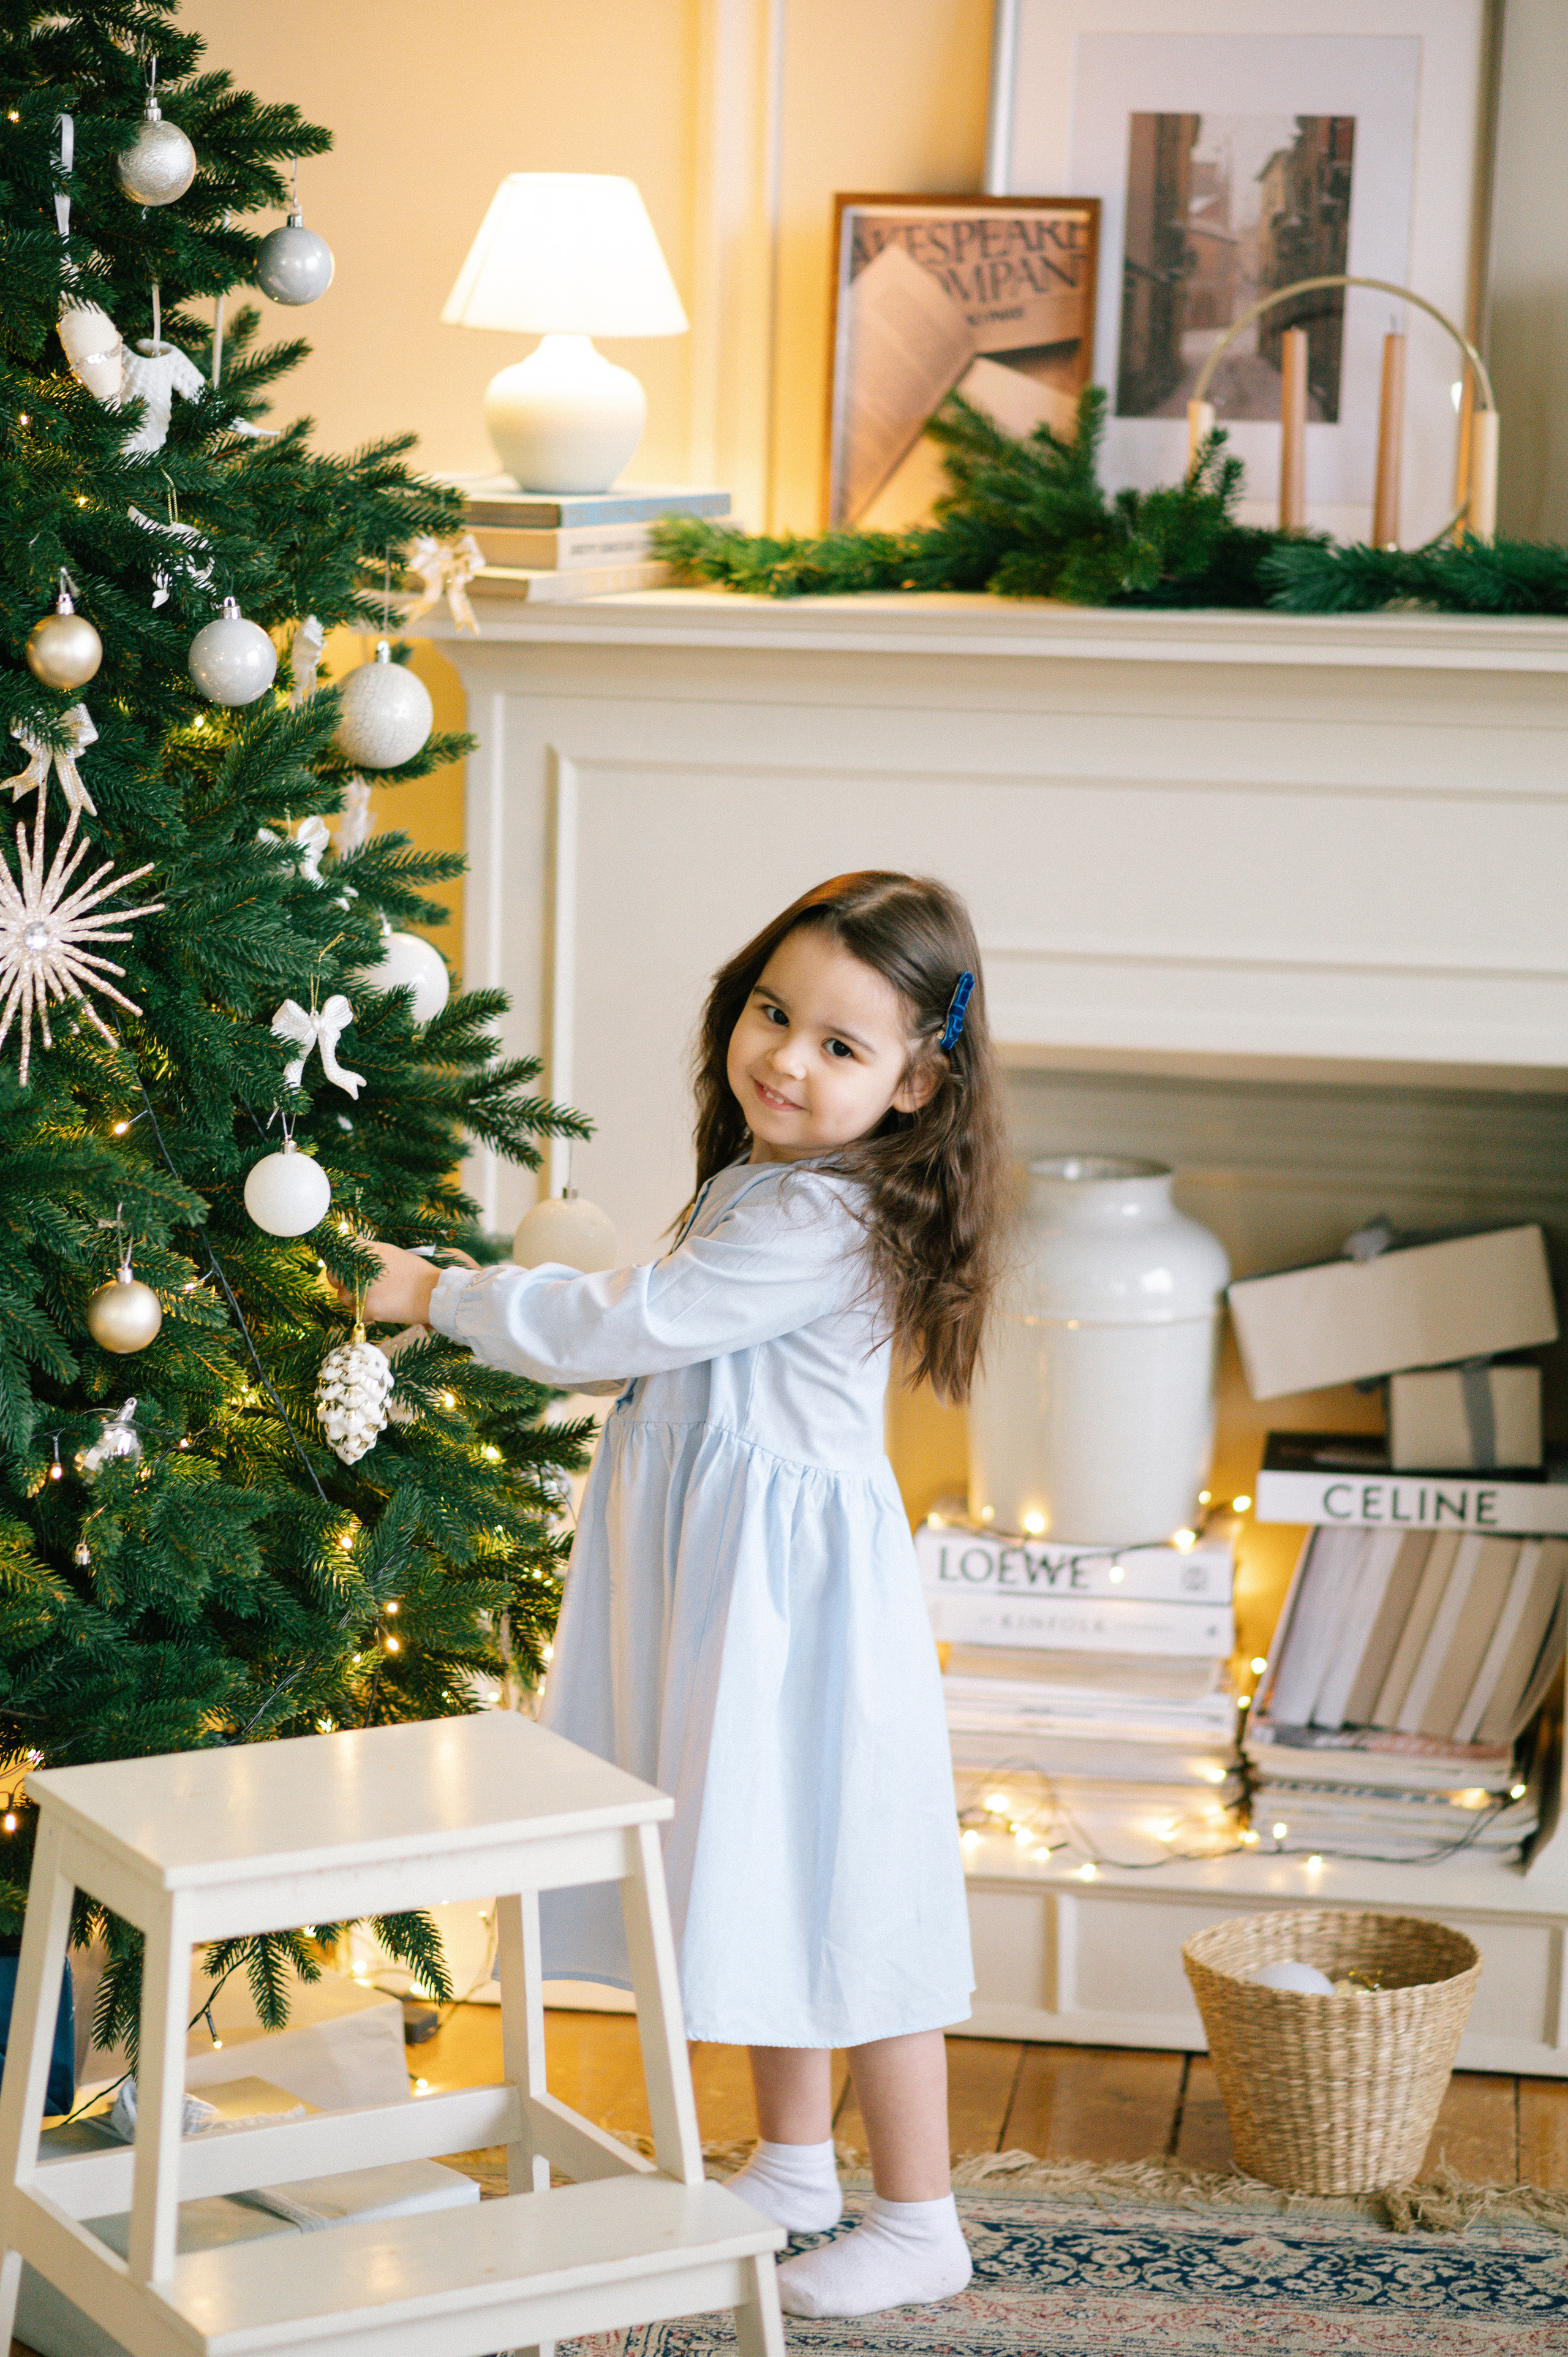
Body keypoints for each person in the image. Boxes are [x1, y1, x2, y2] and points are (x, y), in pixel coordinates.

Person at [357, 870, 1009, 2318]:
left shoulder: (825, 1218)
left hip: (795, 1616)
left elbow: (639, 1318)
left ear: (915, 1083)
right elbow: (650, 1350)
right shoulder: (760, 1183)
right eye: (774, 1014)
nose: (785, 1056)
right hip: (718, 1587)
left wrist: (442, 1292)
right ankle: (793, 2162)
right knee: (760, 1874)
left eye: (840, 1045)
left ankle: (920, 2216)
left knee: (847, 1900)